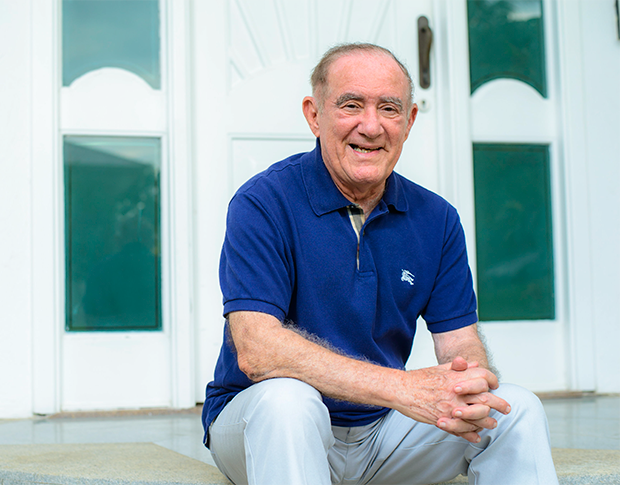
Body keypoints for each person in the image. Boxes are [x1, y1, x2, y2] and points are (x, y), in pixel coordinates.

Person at [202, 43, 558, 485]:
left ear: (409, 122)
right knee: (288, 402)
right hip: (265, 423)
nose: (370, 126)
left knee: (517, 410)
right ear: (314, 115)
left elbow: (460, 342)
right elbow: (259, 351)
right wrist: (403, 388)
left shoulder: (437, 218)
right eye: (351, 105)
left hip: (382, 430)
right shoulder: (263, 202)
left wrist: (467, 383)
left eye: (389, 108)